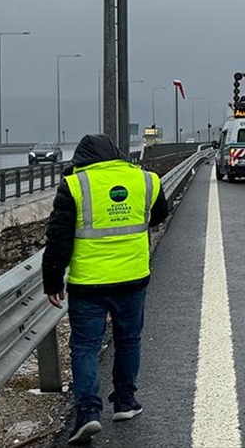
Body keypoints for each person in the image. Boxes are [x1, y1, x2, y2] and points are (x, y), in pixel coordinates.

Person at [42, 134, 168, 445]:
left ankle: (88, 412)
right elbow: (160, 215)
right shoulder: (146, 180)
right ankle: (125, 402)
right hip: (132, 277)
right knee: (128, 340)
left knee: (85, 346)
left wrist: (52, 281)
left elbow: (58, 239)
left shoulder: (74, 185)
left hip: (88, 283)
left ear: (83, 158)